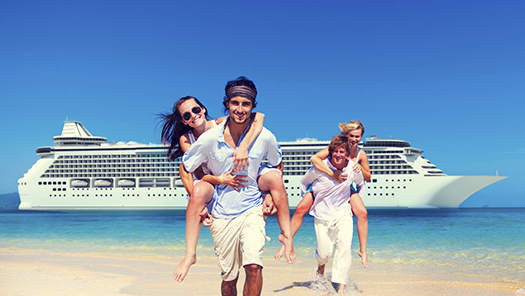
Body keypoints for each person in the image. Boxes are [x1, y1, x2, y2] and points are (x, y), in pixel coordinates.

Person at [182, 76, 295, 296]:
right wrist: (210, 183)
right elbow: (187, 166)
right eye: (235, 103)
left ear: (253, 106)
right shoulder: (209, 138)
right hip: (222, 213)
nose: (240, 109)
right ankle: (190, 255)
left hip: (252, 208)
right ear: (227, 103)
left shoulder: (265, 136)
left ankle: (287, 236)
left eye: (246, 104)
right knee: (229, 279)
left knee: (253, 266)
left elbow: (276, 164)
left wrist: (270, 195)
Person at [158, 95, 271, 282]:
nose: (193, 116)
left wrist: (243, 146)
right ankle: (190, 255)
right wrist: (220, 179)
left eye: (195, 110)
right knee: (193, 183)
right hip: (211, 181)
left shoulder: (220, 123)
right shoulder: (186, 139)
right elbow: (199, 172)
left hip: (231, 177)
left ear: (203, 109)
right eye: (187, 115)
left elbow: (258, 117)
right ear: (184, 121)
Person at [275, 120, 370, 268]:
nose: (354, 139)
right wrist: (333, 174)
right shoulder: (336, 147)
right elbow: (314, 159)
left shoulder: (360, 154)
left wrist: (359, 167)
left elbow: (367, 177)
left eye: (357, 136)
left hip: (345, 186)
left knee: (362, 212)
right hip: (324, 183)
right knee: (301, 209)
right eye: (351, 135)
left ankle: (363, 251)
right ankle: (286, 242)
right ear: (346, 135)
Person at [301, 134, 365, 295]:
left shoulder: (352, 167)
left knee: (345, 247)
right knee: (324, 254)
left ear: (346, 152)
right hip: (322, 215)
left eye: (342, 152)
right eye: (335, 151)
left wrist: (356, 200)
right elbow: (304, 182)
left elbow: (361, 184)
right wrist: (308, 197)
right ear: (330, 152)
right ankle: (321, 266)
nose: (338, 155)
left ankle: (340, 288)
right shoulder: (320, 167)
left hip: (343, 214)